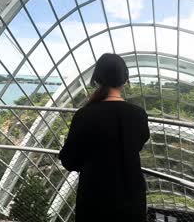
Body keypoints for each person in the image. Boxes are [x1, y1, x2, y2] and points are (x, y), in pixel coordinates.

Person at [59, 53, 150, 222]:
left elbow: (69, 161)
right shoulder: (138, 115)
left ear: (97, 80)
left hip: (94, 200)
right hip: (130, 200)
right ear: (125, 81)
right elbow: (136, 145)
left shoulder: (85, 115)